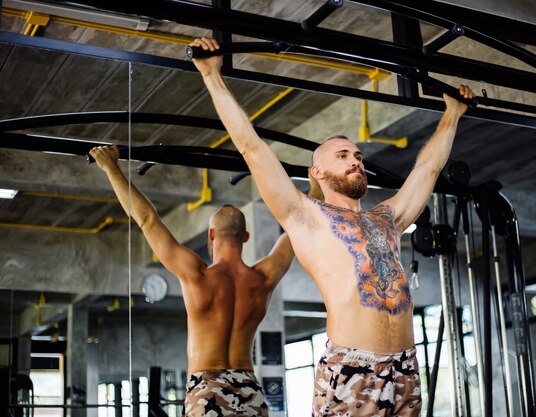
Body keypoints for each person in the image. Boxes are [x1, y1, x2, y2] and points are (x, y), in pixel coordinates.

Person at [190, 36, 475, 417]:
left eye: (357, 155)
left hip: (406, 368)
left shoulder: (386, 218)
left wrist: (452, 114)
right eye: (343, 156)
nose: (355, 161)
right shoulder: (306, 216)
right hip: (353, 369)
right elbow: (251, 147)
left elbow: (428, 169)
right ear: (318, 171)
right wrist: (212, 75)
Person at [90, 145, 298, 417]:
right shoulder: (263, 278)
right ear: (245, 237)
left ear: (211, 235)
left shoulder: (197, 275)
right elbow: (297, 225)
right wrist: (317, 186)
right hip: (249, 390)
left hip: (207, 389)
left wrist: (111, 168)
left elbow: (147, 219)